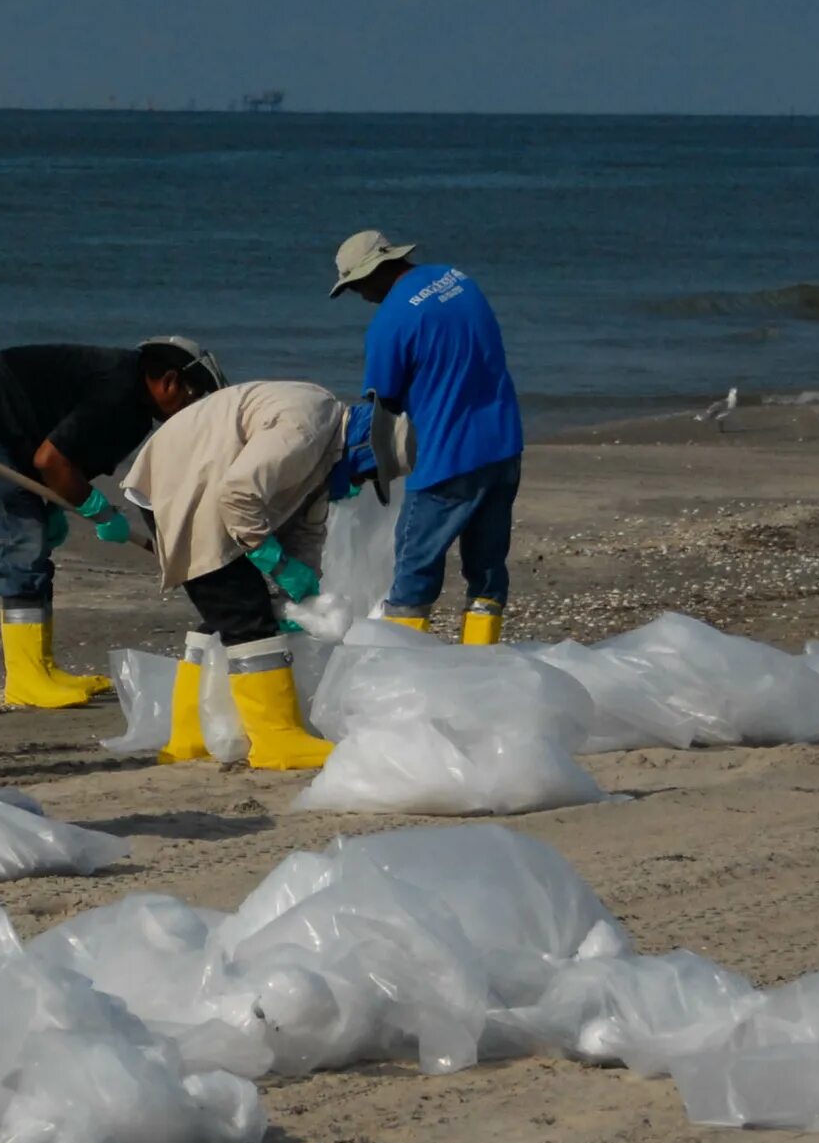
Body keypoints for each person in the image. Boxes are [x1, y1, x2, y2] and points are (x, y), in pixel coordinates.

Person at [0, 338, 224, 708]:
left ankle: (43, 668)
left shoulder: (133, 410)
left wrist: (54, 507)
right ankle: (26, 679)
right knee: (18, 547)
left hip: (16, 429)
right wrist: (98, 511)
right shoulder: (117, 391)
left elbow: (67, 461)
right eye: (194, 400)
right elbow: (52, 461)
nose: (191, 413)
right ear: (170, 381)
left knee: (34, 544)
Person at [118, 378, 360, 771]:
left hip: (195, 475)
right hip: (186, 481)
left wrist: (301, 589)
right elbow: (238, 494)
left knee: (223, 605)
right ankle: (276, 740)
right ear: (365, 451)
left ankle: (191, 735)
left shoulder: (327, 444)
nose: (361, 485)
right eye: (368, 476)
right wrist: (273, 560)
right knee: (245, 614)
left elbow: (306, 527)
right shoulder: (309, 428)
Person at [330, 230, 525, 643]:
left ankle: (402, 675)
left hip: (448, 462)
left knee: (412, 578)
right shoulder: (457, 280)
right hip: (504, 445)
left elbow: (385, 408)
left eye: (358, 285)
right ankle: (482, 664)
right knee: (487, 574)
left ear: (376, 271)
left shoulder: (390, 322)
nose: (361, 296)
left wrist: (375, 474)